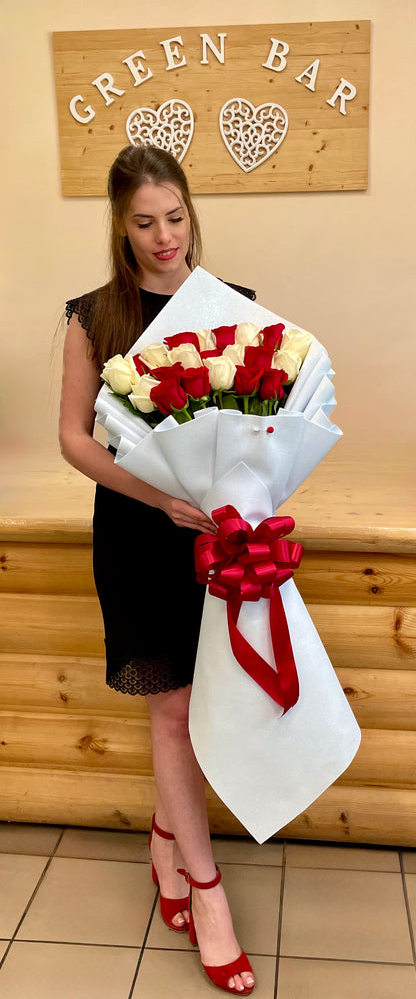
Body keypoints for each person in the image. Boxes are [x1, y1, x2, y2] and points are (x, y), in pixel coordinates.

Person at [60, 144, 256, 995]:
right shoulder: (92, 314)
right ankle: (208, 897)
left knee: (206, 706)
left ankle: (164, 843)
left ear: (189, 212)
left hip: (215, 536)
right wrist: (156, 497)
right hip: (139, 535)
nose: (164, 236)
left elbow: (260, 424)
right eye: (144, 223)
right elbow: (75, 438)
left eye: (174, 217)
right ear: (119, 224)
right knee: (171, 714)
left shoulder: (231, 306)